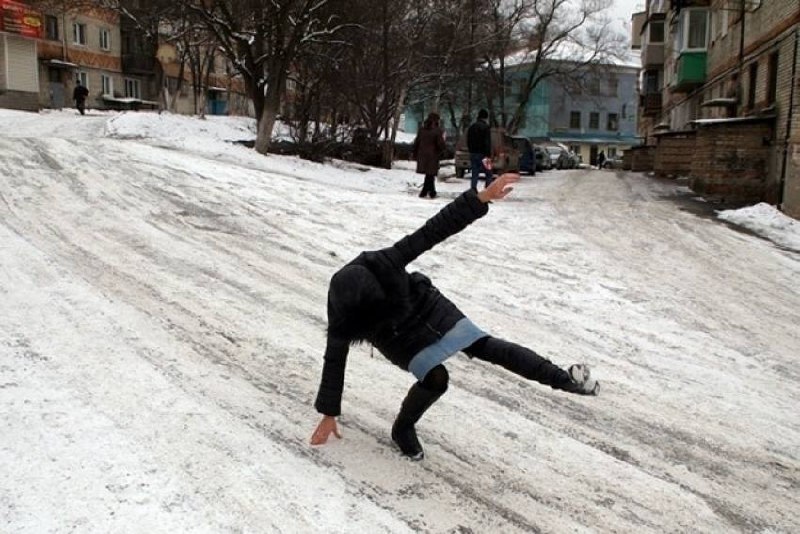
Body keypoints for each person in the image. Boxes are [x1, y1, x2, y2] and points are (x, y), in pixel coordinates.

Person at [310, 173, 599, 461]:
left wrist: (481, 198)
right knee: (436, 378)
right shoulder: (343, 311)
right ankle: (403, 428)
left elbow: (432, 231)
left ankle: (564, 379)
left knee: (484, 345)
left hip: (424, 305)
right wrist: (328, 413)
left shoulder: (384, 261)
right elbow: (334, 359)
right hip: (395, 337)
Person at [413, 112, 445, 199]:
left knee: (429, 174)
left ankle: (429, 192)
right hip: (433, 155)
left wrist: (414, 153)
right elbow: (440, 144)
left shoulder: (422, 130)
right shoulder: (437, 131)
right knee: (430, 174)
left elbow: (417, 142)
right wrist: (444, 149)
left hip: (422, 154)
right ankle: (428, 192)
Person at [466, 109, 492, 191]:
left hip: (473, 153)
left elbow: (468, 140)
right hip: (484, 154)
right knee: (488, 173)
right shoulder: (486, 127)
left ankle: (473, 191)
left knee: (475, 173)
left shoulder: (472, 127)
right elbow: (487, 142)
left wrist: (471, 150)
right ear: (486, 117)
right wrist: (488, 154)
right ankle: (487, 192)